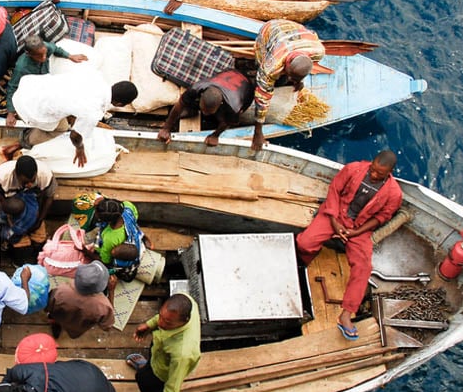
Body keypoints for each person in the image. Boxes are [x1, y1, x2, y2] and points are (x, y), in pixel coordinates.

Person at [295, 150, 403, 341]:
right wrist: (335, 221)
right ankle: (303, 265)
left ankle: (346, 314)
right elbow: (334, 191)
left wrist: (356, 233)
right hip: (335, 215)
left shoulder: (394, 194)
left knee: (363, 267)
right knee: (304, 242)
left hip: (359, 229)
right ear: (371, 161)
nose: (374, 175)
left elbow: (381, 217)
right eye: (373, 169)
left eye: (379, 174)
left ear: (390, 172)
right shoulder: (353, 169)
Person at [0, 74, 139, 168]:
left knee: (63, 121)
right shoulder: (93, 111)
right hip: (33, 107)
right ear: (119, 104)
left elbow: (75, 94)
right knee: (62, 127)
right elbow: (75, 135)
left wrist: (72, 114)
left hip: (32, 87)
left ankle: (16, 145)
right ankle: (15, 147)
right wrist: (80, 148)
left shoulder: (97, 78)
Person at [127, 293, 202, 392]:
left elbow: (171, 391)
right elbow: (163, 319)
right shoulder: (188, 302)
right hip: (160, 349)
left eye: (167, 322)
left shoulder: (182, 353)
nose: (161, 323)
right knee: (147, 367)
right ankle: (146, 365)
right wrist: (150, 324)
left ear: (184, 321)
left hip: (162, 374)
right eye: (160, 316)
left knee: (146, 382)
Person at [251, 19, 326, 151]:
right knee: (260, 63)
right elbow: (261, 99)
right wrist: (258, 131)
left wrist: (298, 81)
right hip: (269, 30)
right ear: (285, 66)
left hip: (293, 32)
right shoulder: (271, 66)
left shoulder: (318, 51)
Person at [4, 34, 88, 127]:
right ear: (29, 54)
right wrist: (11, 113)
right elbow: (12, 88)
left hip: (46, 81)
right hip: (32, 87)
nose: (44, 58)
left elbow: (56, 49)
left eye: (45, 53)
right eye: (39, 56)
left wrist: (70, 56)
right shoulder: (22, 67)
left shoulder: (46, 47)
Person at [158, 69, 256, 148]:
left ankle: (213, 115)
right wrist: (167, 127)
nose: (204, 113)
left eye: (208, 112)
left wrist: (215, 135)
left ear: (221, 104)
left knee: (220, 119)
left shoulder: (234, 107)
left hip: (246, 88)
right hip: (230, 73)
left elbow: (227, 123)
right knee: (189, 101)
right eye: (203, 110)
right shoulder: (197, 87)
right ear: (201, 96)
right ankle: (194, 110)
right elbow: (180, 103)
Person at [0, 156, 58, 261]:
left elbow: (49, 198)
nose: (30, 184)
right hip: (13, 202)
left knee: (39, 241)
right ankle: (9, 243)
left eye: (32, 180)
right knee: (22, 249)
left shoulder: (46, 176)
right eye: (25, 182)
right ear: (16, 175)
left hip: (34, 201)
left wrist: (39, 220)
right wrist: (10, 219)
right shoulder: (2, 176)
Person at [45, 262, 116, 339]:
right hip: (78, 326)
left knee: (56, 320)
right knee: (74, 331)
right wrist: (111, 291)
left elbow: (48, 305)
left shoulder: (61, 290)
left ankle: (56, 329)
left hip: (58, 316)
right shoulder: (103, 305)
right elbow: (107, 326)